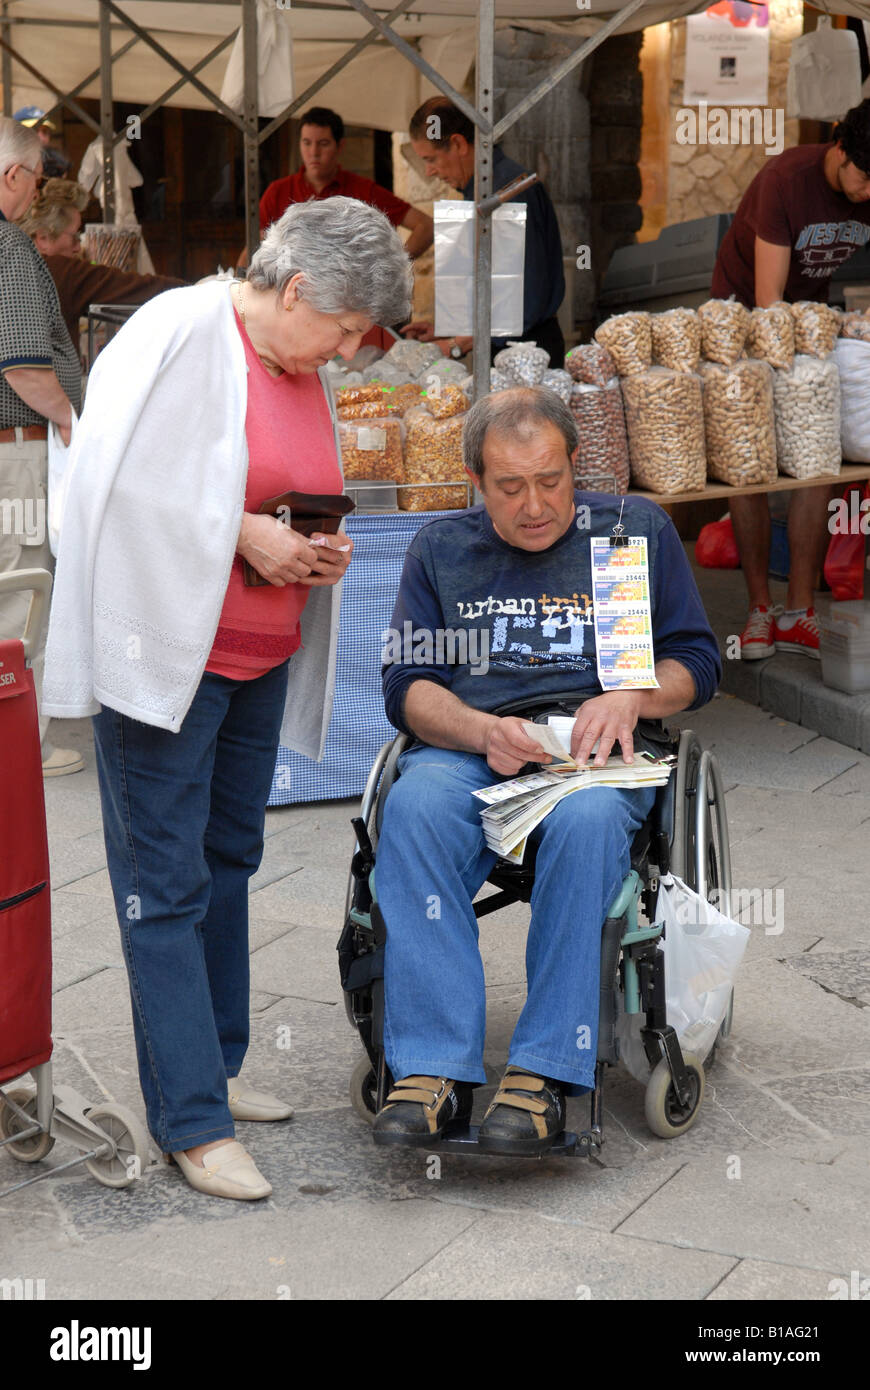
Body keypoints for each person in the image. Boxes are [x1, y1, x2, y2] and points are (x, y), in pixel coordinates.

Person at [42, 197, 413, 1200]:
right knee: (162, 883)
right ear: (297, 290)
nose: (341, 352)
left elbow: (275, 483)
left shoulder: (297, 362)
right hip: (166, 656)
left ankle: (218, 1061)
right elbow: (102, 486)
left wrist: (311, 544)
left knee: (228, 859)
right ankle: (190, 1120)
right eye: (340, 330)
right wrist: (245, 535)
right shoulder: (175, 328)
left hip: (255, 654)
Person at [372, 386, 720, 1154]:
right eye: (510, 486)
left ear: (574, 465)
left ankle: (546, 1068)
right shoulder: (441, 549)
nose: (536, 505)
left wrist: (630, 696)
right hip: (477, 748)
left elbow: (698, 661)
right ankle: (433, 1066)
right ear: (475, 482)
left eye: (551, 480)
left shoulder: (632, 531)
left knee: (588, 819)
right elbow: (406, 686)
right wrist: (479, 729)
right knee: (415, 808)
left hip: (599, 755)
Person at [711, 100, 870, 661]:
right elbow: (768, 303)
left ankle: (799, 612)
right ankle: (760, 611)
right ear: (840, 148)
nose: (868, 192)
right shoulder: (786, 181)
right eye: (864, 176)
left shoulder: (869, 183)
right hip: (743, 324)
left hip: (808, 327)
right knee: (750, 466)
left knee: (816, 461)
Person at [0, 116, 83, 778]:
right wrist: (70, 419)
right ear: (12, 175)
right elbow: (24, 365)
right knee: (20, 591)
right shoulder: (9, 247)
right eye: (33, 179)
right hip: (15, 457)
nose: (34, 195)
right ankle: (18, 742)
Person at [401, 96, 566, 367]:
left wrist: (457, 343)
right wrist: (447, 329)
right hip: (504, 354)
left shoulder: (508, 192)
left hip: (529, 356)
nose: (429, 171)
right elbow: (492, 288)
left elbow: (523, 297)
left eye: (431, 159)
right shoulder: (477, 193)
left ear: (458, 144)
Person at [237, 105, 433, 269]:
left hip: (348, 303)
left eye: (323, 143)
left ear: (340, 146)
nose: (313, 152)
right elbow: (253, 246)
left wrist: (393, 269)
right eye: (306, 143)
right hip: (291, 301)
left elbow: (426, 226)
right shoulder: (278, 191)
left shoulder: (363, 191)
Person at [18, 178, 186, 348]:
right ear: (43, 238)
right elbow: (134, 286)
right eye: (74, 236)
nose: (78, 246)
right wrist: (198, 288)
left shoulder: (17, 264)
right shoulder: (59, 270)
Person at [13, 107, 71, 180]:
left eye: (45, 132)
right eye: (33, 130)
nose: (41, 138)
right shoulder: (4, 164)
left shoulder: (56, 164)